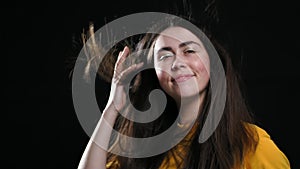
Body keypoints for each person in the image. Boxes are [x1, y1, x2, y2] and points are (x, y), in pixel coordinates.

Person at [75, 13, 291, 169]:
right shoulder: (143, 150)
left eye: (189, 50)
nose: (178, 63)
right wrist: (112, 108)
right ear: (155, 74)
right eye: (165, 56)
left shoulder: (250, 143)